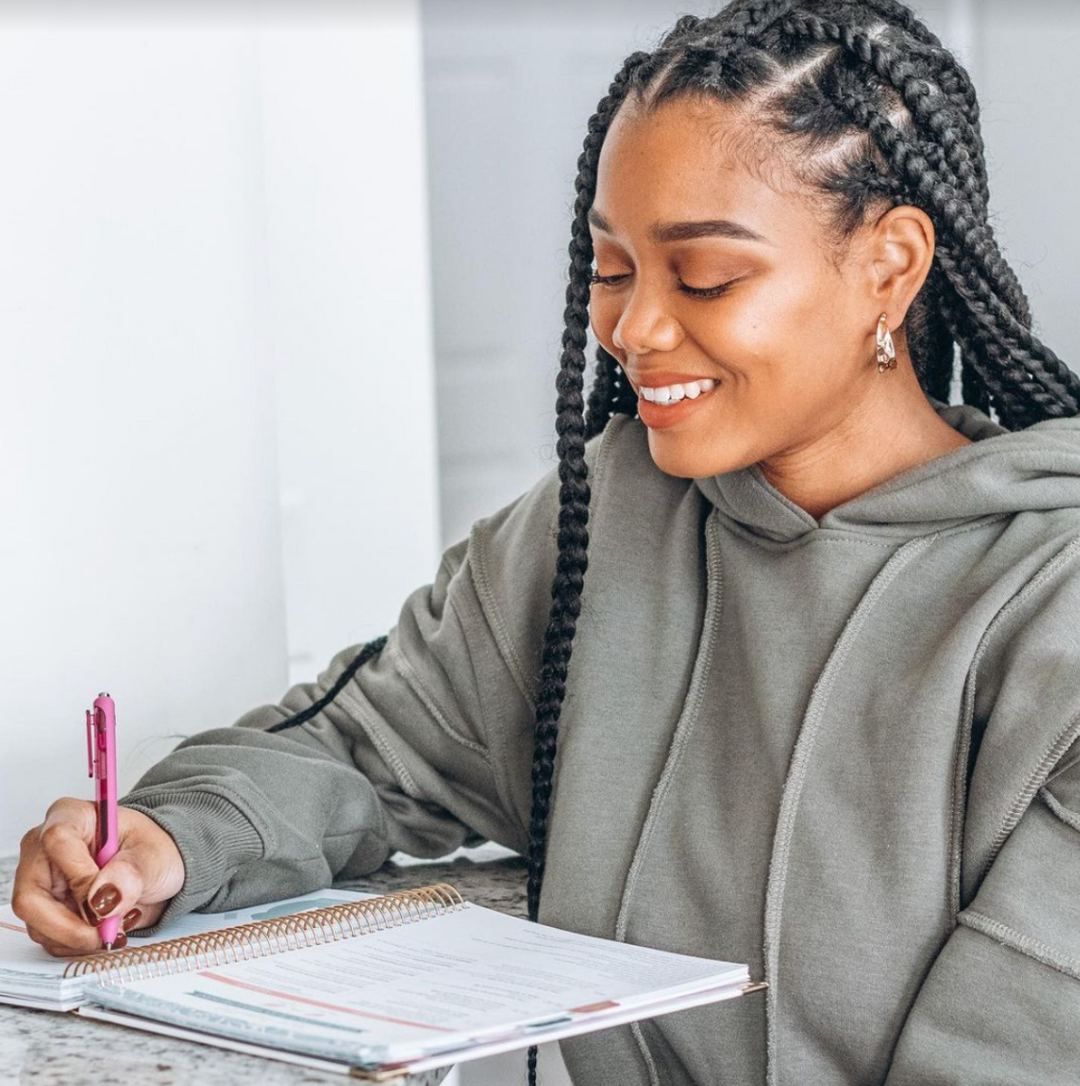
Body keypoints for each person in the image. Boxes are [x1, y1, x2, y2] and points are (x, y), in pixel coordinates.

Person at [14, 1, 1080, 1083]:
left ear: (890, 267)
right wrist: (179, 839)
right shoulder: (609, 518)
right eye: (612, 271)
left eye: (704, 277)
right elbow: (363, 745)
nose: (635, 330)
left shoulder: (1054, 604)